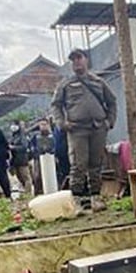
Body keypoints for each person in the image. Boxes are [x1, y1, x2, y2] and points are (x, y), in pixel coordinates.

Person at [50, 49, 116, 212]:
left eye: (79, 58)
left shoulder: (98, 82)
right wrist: (62, 123)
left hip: (98, 128)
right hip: (77, 129)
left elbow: (112, 102)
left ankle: (96, 198)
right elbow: (55, 105)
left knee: (96, 164)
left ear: (86, 60)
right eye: (73, 60)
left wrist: (109, 121)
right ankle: (76, 201)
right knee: (78, 165)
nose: (76, 62)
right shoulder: (65, 84)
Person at [9, 121, 34, 195]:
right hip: (15, 160)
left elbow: (24, 147)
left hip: (22, 159)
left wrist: (13, 148)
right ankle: (25, 190)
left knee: (26, 177)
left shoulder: (22, 136)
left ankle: (28, 193)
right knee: (19, 177)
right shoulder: (13, 136)